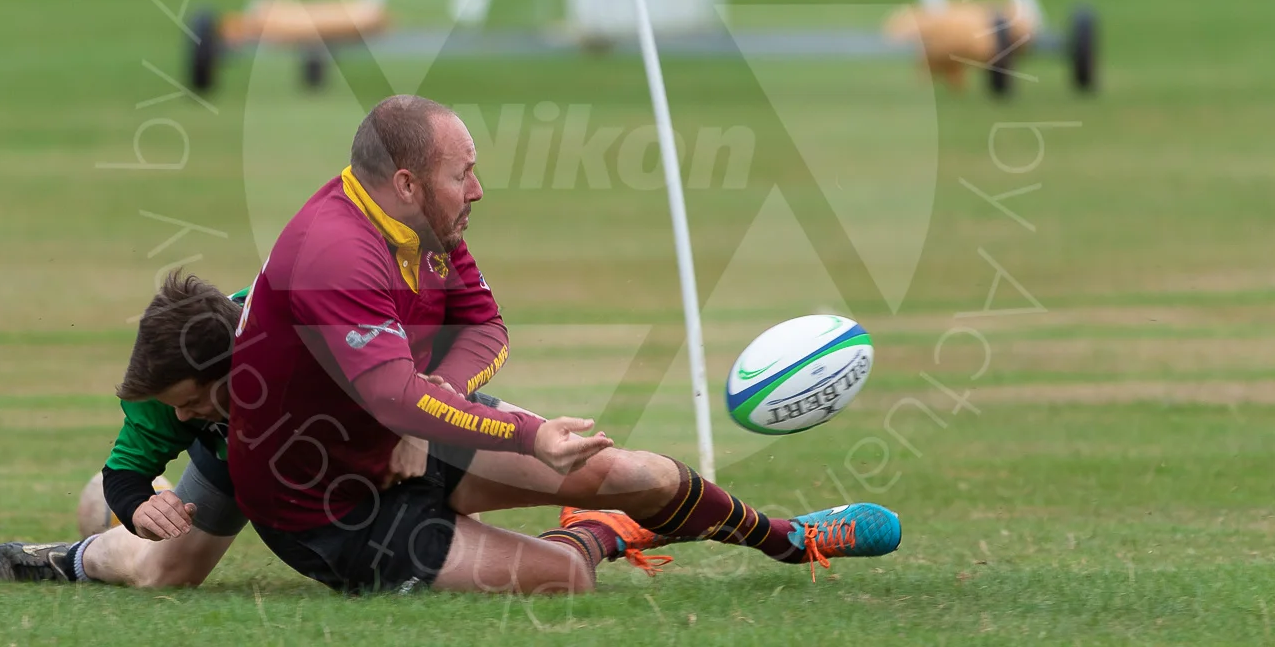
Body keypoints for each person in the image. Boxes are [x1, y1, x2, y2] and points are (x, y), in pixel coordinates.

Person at [228, 94, 901, 596]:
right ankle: (602, 531)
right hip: (332, 509)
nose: (478, 191)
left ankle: (791, 540)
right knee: (565, 580)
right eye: (461, 174)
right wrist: (521, 434)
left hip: (405, 435)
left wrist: (427, 407)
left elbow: (484, 328)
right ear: (405, 184)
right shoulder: (335, 251)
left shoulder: (425, 225)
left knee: (638, 475)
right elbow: (391, 395)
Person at [0, 272, 438, 586]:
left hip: (313, 446)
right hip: (231, 463)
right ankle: (70, 559)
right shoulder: (164, 391)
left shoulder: (292, 324)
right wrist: (139, 510)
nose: (179, 414)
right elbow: (123, 474)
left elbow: (403, 326)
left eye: (192, 401)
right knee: (165, 575)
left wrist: (411, 425)